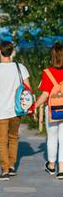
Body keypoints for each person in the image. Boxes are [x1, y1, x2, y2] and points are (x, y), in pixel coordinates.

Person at [0, 41, 31, 181]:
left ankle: (4, 170)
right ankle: (12, 166)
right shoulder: (21, 68)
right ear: (12, 52)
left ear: (0, 51)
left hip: (0, 110)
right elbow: (28, 88)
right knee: (13, 138)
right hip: (16, 110)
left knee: (2, 141)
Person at [34, 42, 63, 179]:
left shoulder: (47, 73)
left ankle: (51, 165)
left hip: (52, 110)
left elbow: (45, 94)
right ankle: (61, 170)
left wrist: (34, 106)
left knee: (52, 137)